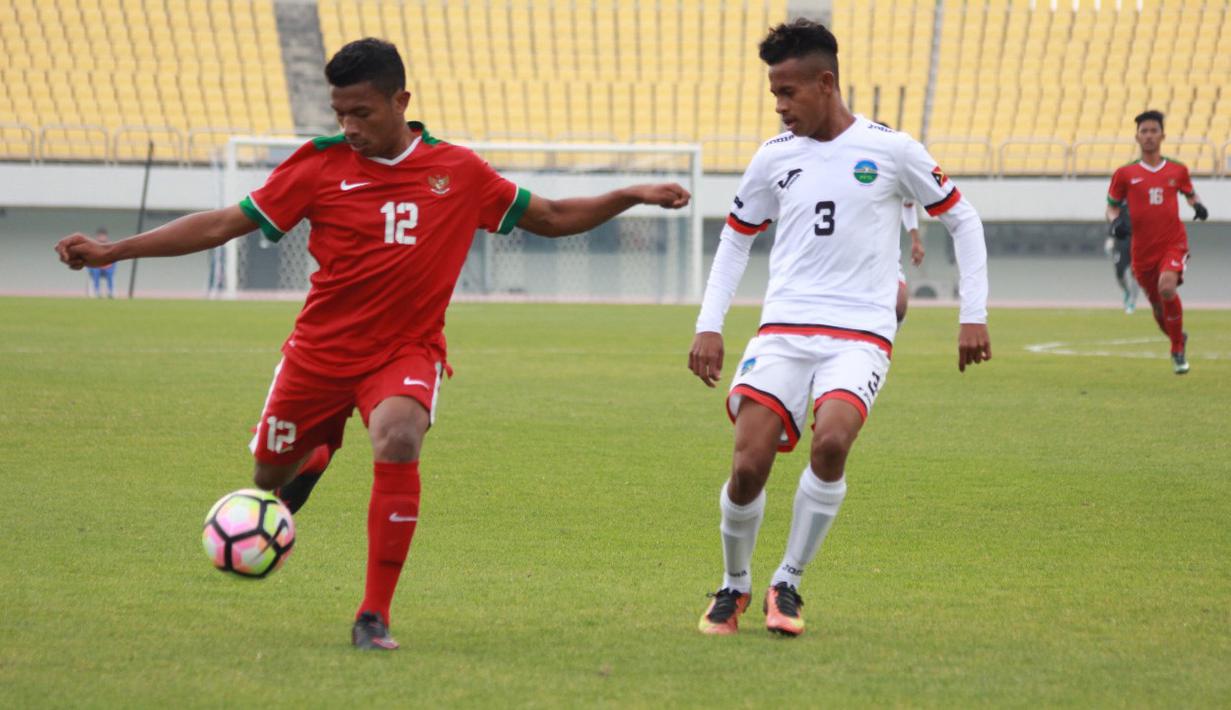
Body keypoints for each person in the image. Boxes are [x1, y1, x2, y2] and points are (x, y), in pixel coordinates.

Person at [56, 38, 690, 651]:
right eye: (340, 113)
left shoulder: (457, 170)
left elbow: (550, 218)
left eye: (361, 112)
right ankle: (315, 455)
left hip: (405, 351)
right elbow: (224, 223)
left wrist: (629, 193)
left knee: (398, 437)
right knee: (265, 481)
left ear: (400, 101)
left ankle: (372, 614)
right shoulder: (318, 164)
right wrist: (117, 248)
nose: (349, 125)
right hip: (318, 354)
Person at [687, 19, 990, 637]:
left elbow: (963, 218)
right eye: (774, 93)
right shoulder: (773, 158)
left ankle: (789, 582)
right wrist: (709, 324)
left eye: (788, 92)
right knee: (747, 467)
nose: (780, 106)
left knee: (831, 443)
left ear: (826, 83)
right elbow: (735, 240)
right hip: (782, 332)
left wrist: (972, 313)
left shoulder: (892, 149)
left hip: (860, 332)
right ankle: (734, 585)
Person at [1106, 109, 1208, 374]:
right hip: (1142, 252)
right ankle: (1178, 338)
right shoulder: (1125, 174)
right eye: (1144, 131)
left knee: (1167, 287)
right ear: (1137, 137)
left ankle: (1176, 350)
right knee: (1158, 307)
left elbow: (1190, 194)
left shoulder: (1177, 169)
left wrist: (1198, 206)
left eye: (1154, 130)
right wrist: (1115, 222)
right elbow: (1112, 206)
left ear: (1162, 135)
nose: (1149, 136)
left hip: (1173, 243)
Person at [1104, 205, 1138, 314]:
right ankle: (1127, 291)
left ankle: (1132, 301)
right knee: (1119, 273)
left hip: (1136, 241)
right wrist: (1110, 237)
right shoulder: (1119, 200)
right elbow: (1110, 214)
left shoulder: (1141, 200)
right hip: (1121, 240)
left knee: (1135, 272)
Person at [896, 199, 924, 325]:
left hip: (885, 256)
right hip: (846, 256)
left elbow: (907, 204)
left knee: (899, 306)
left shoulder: (896, 179)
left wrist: (916, 240)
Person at [87, 228, 116, 298]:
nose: (102, 238)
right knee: (95, 271)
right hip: (96, 268)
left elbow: (113, 259)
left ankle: (110, 292)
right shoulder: (92, 246)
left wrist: (107, 266)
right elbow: (89, 259)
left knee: (110, 273)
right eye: (100, 236)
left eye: (103, 236)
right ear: (97, 236)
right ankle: (97, 291)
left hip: (107, 268)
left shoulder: (110, 246)